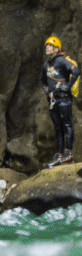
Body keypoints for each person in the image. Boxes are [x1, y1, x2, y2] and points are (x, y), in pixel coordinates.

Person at [41, 35, 80, 167]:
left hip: (64, 99)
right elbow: (42, 81)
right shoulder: (46, 65)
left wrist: (67, 87)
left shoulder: (62, 61)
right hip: (53, 101)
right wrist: (47, 92)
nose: (47, 47)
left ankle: (68, 154)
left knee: (67, 125)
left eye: (50, 45)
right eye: (47, 45)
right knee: (58, 128)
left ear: (57, 49)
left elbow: (76, 72)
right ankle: (59, 155)